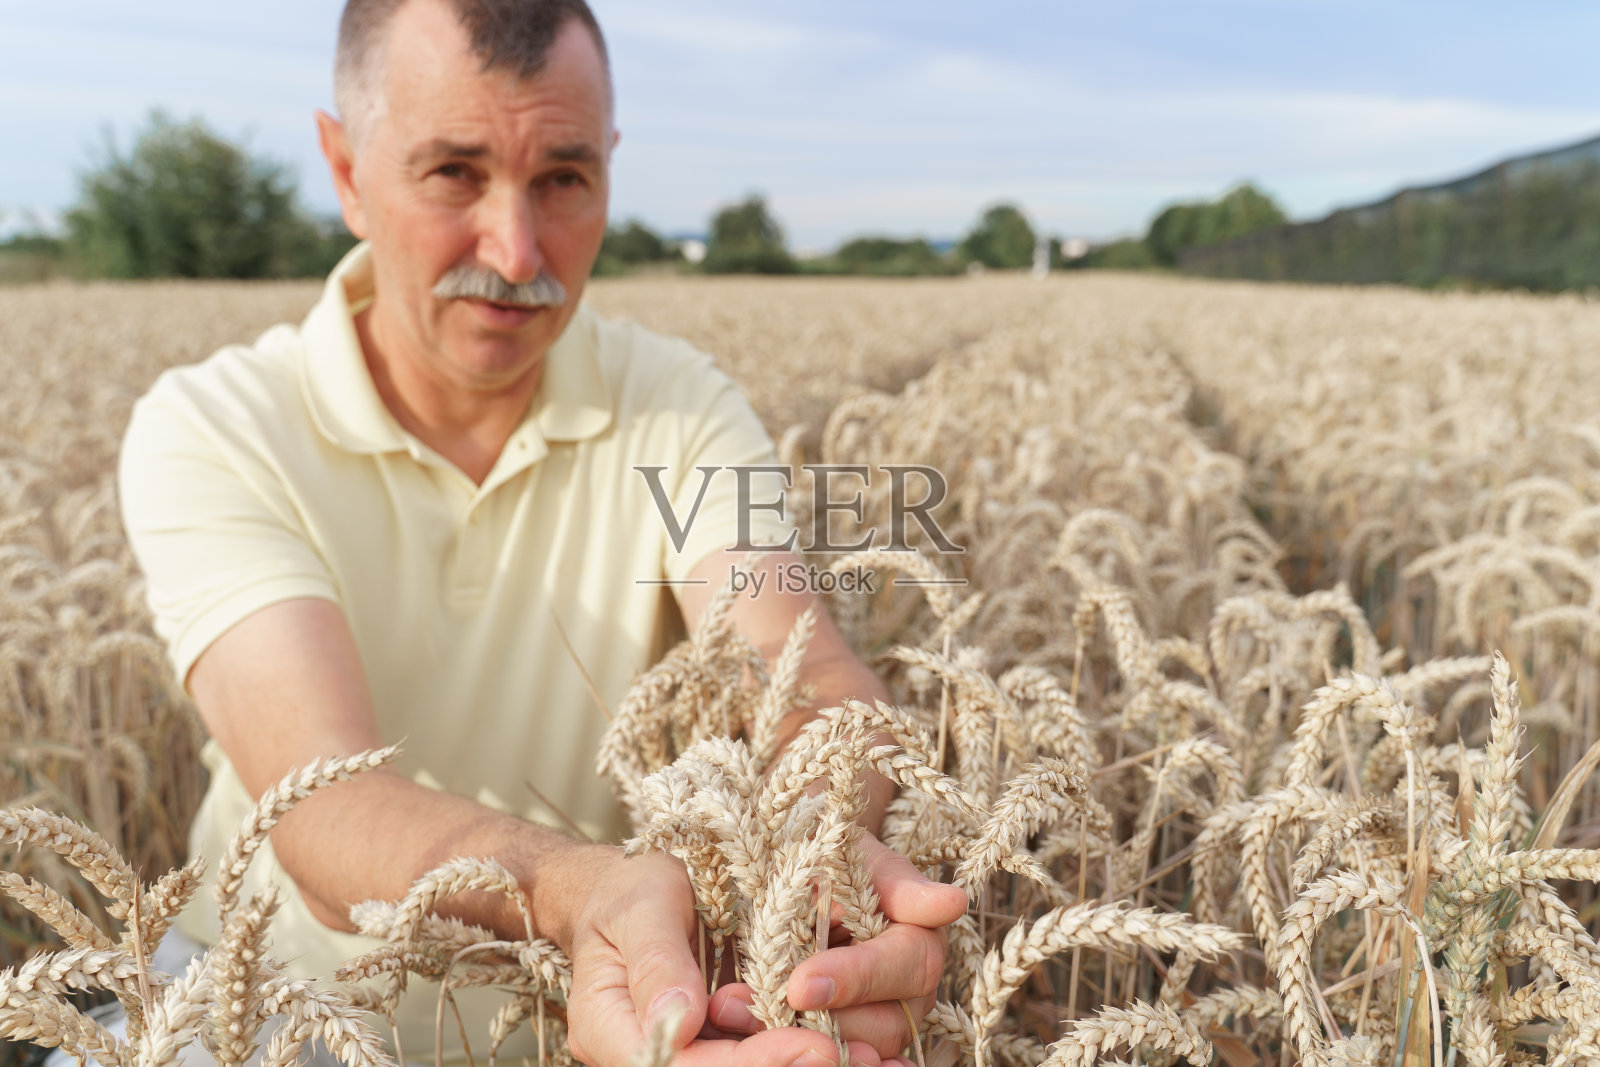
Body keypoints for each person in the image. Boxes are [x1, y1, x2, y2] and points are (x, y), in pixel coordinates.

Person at [114, 1, 969, 1065]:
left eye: (563, 178)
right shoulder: (216, 427)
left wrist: (809, 851)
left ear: (609, 164)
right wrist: (579, 892)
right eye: (453, 173)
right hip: (262, 1003)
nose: (517, 252)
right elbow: (323, 804)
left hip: (619, 1008)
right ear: (345, 171)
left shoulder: (683, 410)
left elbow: (804, 670)